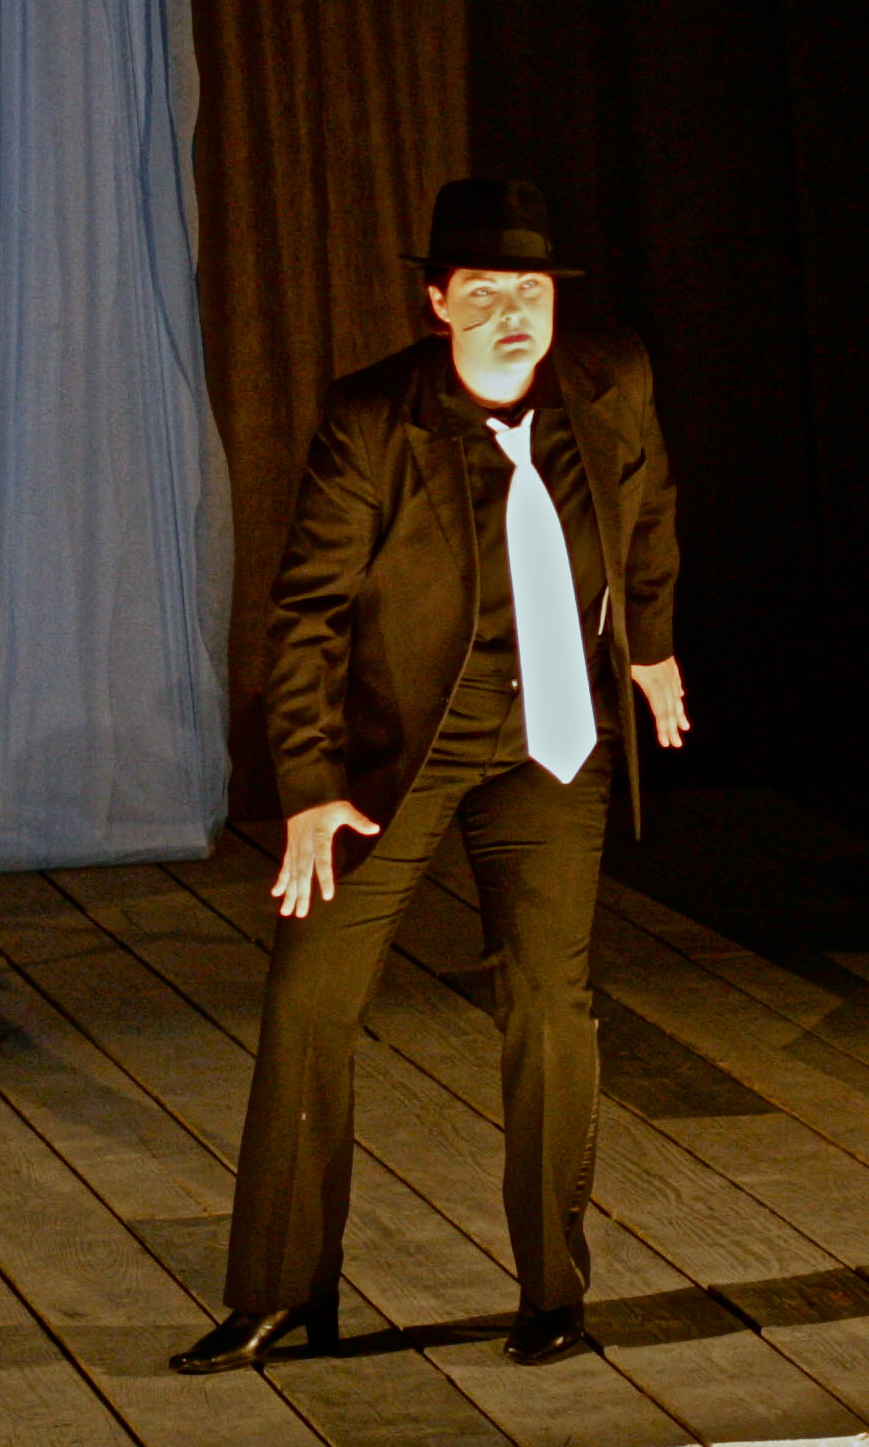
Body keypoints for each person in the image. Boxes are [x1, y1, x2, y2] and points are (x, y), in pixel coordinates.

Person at [170, 177, 688, 1375]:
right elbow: (306, 615)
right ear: (437, 303)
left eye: (531, 291)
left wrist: (648, 646)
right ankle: (282, 1292)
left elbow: (649, 510)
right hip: (399, 749)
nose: (514, 315)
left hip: (553, 743)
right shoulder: (371, 420)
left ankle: (551, 1292)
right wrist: (308, 786)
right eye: (486, 293)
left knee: (550, 1010)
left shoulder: (611, 379)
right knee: (310, 1000)